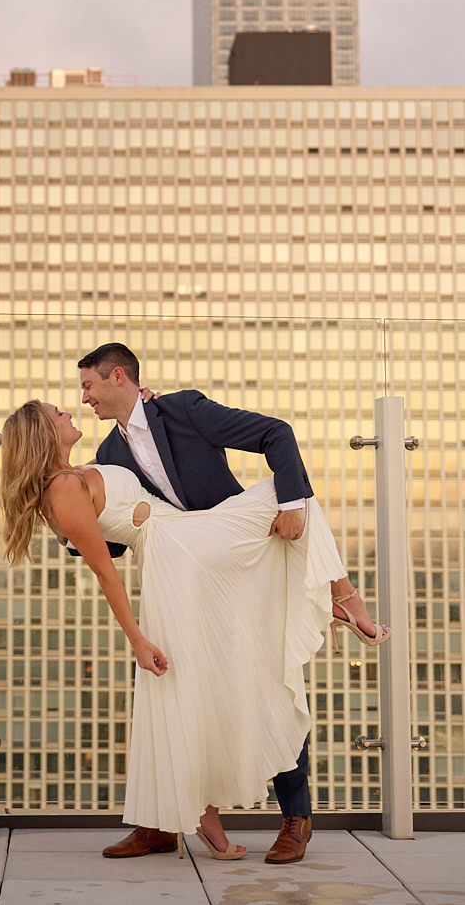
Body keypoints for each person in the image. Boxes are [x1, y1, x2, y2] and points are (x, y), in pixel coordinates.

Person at [74, 342, 389, 864]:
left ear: (119, 377)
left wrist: (289, 505)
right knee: (173, 691)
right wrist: (73, 528)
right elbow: (116, 539)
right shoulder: (108, 456)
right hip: (186, 584)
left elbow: (276, 434)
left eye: (89, 385)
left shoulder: (184, 409)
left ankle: (297, 820)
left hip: (239, 558)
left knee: (266, 684)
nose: (84, 396)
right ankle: (159, 824)